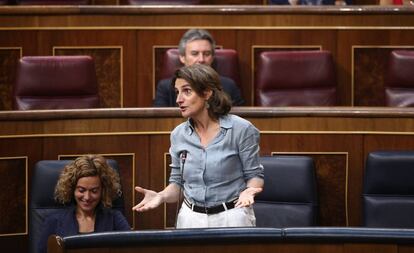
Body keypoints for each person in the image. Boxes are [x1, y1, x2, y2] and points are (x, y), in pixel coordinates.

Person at [134, 64, 264, 228]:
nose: (178, 99)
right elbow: (177, 184)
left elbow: (254, 175)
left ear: (207, 93)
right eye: (177, 92)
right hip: (190, 218)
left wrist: (249, 191)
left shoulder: (241, 129)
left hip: (232, 216)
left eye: (187, 91)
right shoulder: (178, 135)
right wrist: (161, 196)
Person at [37, 155, 130, 253]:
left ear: (103, 191)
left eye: (94, 191)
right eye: (81, 190)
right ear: (72, 189)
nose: (87, 197)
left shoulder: (115, 219)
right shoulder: (53, 221)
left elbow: (131, 249)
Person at [153, 29, 245, 107]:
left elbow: (241, 120)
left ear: (212, 57)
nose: (201, 59)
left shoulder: (229, 86)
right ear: (182, 57)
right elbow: (160, 121)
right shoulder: (165, 87)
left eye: (207, 54)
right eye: (194, 53)